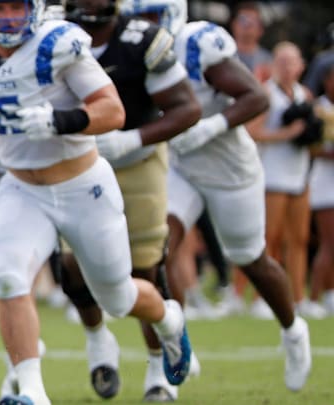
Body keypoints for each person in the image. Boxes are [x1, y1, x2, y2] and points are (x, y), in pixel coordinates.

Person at [0, 1, 193, 403]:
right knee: (9, 276)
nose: (8, 16)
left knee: (117, 297)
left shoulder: (57, 45)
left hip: (83, 186)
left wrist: (61, 120)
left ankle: (169, 319)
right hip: (22, 188)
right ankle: (31, 391)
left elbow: (112, 110)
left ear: (36, 9)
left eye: (17, 6)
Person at [120, 0, 312, 392]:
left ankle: (293, 330)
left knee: (250, 258)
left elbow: (255, 97)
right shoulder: (126, 47)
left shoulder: (198, 44)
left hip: (228, 166)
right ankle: (167, 360)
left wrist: (208, 127)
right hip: (178, 164)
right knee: (157, 249)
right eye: (138, 17)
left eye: (154, 17)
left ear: (174, 15)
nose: (145, 26)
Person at [57, 0, 201, 400]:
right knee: (70, 262)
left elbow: (188, 107)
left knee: (144, 269)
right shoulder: (53, 34)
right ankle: (97, 339)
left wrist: (133, 138)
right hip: (76, 160)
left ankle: (157, 364)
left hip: (137, 159)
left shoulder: (141, 39)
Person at [247, 41, 324, 320]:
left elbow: (310, 133)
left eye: (292, 62)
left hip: (299, 175)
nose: (288, 68)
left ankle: (298, 298)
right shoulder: (266, 94)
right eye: (282, 62)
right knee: (271, 239)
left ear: (301, 66)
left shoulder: (305, 94)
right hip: (273, 176)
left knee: (299, 239)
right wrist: (287, 134)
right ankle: (260, 299)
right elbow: (252, 132)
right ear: (273, 66)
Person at [309, 63, 334, 316]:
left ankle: (330, 294)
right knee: (328, 243)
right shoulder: (317, 109)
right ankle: (314, 296)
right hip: (324, 183)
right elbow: (311, 147)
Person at [230, 1, 271, 83]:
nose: (247, 25)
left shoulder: (268, 61)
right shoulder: (222, 56)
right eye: (243, 20)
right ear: (233, 25)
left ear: (261, 29)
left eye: (253, 21)